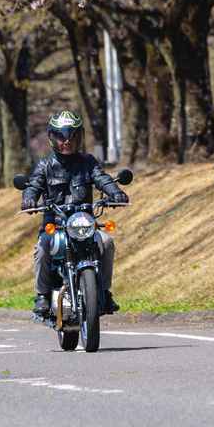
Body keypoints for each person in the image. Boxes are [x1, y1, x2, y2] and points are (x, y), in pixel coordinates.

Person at [20, 110, 129, 319]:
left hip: (84, 224)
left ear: (79, 137)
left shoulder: (88, 162)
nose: (66, 141)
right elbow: (33, 185)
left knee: (106, 242)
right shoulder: (45, 165)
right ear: (53, 137)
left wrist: (115, 192)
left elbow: (102, 178)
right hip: (57, 225)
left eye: (72, 136)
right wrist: (29, 198)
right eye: (61, 136)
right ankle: (42, 295)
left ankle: (104, 292)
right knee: (42, 248)